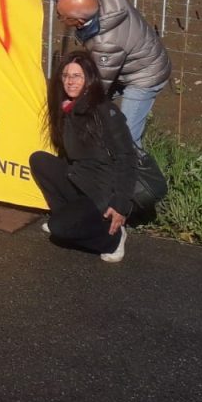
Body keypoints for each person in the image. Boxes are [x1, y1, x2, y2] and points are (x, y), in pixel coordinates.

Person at [30, 51, 137, 263]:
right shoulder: (66, 109)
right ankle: (71, 221)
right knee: (39, 160)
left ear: (89, 79)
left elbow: (127, 157)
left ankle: (112, 239)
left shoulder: (105, 112)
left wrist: (120, 203)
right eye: (66, 76)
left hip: (100, 189)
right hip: (80, 179)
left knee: (58, 230)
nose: (70, 81)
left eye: (77, 76)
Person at [46, 0, 172, 147]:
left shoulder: (106, 44)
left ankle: (138, 168)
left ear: (80, 21)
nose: (59, 19)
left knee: (126, 134)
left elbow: (98, 84)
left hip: (145, 75)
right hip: (130, 61)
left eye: (63, 17)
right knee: (99, 112)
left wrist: (74, 106)